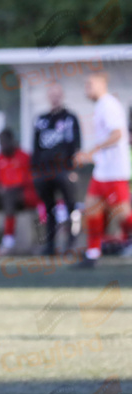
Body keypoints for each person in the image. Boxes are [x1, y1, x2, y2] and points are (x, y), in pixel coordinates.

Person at [74, 72, 132, 267]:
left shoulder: (108, 105)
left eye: (90, 84)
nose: (87, 89)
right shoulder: (100, 106)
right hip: (102, 170)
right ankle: (92, 253)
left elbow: (118, 134)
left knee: (124, 215)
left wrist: (92, 152)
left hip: (114, 171)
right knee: (91, 207)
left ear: (102, 84)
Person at [32, 80, 81, 254]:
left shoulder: (70, 118)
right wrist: (35, 172)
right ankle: (50, 245)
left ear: (62, 96)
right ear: (48, 96)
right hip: (45, 173)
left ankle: (71, 244)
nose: (55, 98)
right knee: (49, 209)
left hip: (64, 170)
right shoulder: (41, 120)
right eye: (52, 94)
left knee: (71, 207)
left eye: (57, 94)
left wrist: (73, 169)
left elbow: (76, 145)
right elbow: (36, 147)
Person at [0, 128, 37, 254]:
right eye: (1, 143)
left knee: (9, 196)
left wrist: (8, 188)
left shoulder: (24, 156)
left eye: (5, 142)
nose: (3, 146)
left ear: (12, 141)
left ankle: (8, 241)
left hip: (24, 196)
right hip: (6, 195)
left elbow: (27, 181)